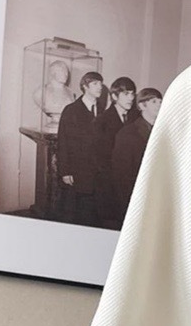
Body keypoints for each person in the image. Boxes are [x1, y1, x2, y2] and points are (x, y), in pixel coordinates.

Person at [55, 71, 105, 222]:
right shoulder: (71, 110)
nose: (100, 87)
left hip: (97, 174)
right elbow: (63, 142)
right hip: (77, 172)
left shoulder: (101, 110)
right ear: (85, 86)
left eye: (100, 83)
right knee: (75, 213)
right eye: (95, 83)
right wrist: (65, 171)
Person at [94, 77, 140, 222]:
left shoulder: (136, 118)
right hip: (110, 185)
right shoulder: (102, 121)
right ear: (114, 96)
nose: (131, 98)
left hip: (131, 183)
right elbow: (99, 158)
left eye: (132, 94)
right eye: (126, 94)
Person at [111, 87, 162, 216]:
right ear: (142, 106)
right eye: (154, 102)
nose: (159, 105)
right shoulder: (128, 133)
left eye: (160, 101)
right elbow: (121, 175)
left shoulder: (164, 132)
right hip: (135, 199)